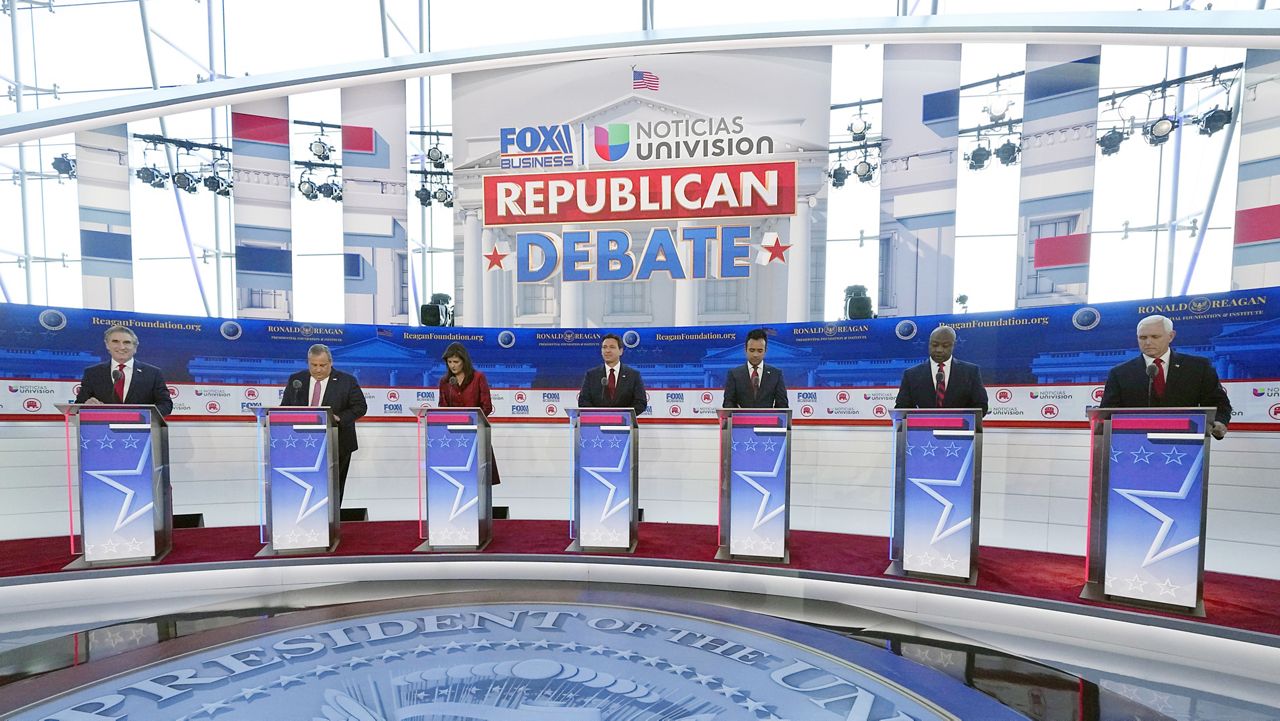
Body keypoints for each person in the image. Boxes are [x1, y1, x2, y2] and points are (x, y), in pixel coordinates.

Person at [1101, 314, 1231, 440]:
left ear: (1171, 336)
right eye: (1142, 337)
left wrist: (1219, 422)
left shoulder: (1198, 367)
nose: (1148, 342)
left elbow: (1219, 403)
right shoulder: (1120, 373)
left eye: (1155, 336)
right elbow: (1106, 413)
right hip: (1133, 446)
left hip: (1185, 444)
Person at [281, 344, 368, 501]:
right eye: (314, 365)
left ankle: (332, 522)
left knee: (334, 487)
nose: (318, 369)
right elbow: (285, 408)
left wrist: (339, 418)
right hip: (302, 443)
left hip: (337, 443)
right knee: (307, 485)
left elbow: (360, 407)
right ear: (308, 362)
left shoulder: (347, 381)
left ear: (331, 362)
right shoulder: (296, 380)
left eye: (323, 365)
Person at [437, 342, 501, 484]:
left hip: (476, 432)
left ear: (464, 362)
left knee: (479, 479)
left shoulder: (478, 378)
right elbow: (442, 406)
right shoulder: (445, 382)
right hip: (454, 435)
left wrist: (472, 420)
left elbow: (487, 406)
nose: (452, 365)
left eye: (456, 362)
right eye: (449, 362)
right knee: (459, 479)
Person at [75, 324, 173, 416]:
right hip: (102, 431)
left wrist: (144, 416)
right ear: (107, 345)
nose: (121, 347)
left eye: (127, 342)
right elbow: (78, 407)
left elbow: (166, 405)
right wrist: (86, 406)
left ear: (135, 348)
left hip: (140, 431)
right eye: (115, 341)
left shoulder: (153, 373)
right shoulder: (92, 373)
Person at [894, 325, 989, 415]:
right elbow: (902, 407)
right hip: (924, 430)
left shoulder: (971, 372)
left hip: (959, 430)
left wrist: (959, 420)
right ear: (929, 344)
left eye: (945, 346)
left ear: (953, 345)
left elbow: (981, 406)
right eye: (934, 345)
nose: (939, 350)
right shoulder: (911, 375)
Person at [578, 333, 648, 416]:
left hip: (624, 424)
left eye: (612, 347)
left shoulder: (633, 375)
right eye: (604, 347)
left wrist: (623, 416)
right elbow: (583, 401)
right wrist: (598, 416)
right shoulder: (591, 375)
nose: (607, 350)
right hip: (597, 424)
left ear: (621, 351)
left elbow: (641, 403)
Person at [722, 328, 788, 408]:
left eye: (760, 351)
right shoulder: (734, 374)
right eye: (752, 350)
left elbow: (782, 405)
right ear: (745, 350)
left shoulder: (776, 374)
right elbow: (728, 403)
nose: (755, 355)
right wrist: (738, 416)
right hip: (742, 419)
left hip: (767, 420)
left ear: (765, 351)